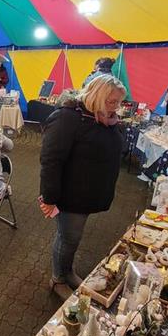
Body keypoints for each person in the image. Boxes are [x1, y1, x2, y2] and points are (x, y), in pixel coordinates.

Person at [39, 74, 126, 300]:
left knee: (73, 237)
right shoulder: (68, 118)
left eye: (118, 102)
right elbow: (51, 160)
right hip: (71, 193)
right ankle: (58, 278)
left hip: (90, 191)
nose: (116, 107)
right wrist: (49, 197)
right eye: (111, 101)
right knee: (68, 237)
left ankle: (67, 271)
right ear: (96, 96)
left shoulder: (105, 119)